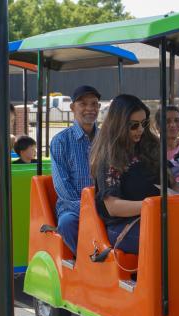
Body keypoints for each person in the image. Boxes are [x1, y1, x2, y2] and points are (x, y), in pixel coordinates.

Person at [90, 94, 160, 254]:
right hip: (124, 225)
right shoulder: (108, 158)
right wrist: (153, 205)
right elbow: (113, 206)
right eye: (134, 126)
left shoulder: (150, 147)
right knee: (167, 238)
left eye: (144, 123)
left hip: (156, 218)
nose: (141, 130)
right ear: (119, 125)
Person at [50, 85, 101, 254]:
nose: (89, 109)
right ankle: (85, 260)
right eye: (83, 104)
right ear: (73, 108)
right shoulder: (61, 141)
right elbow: (62, 186)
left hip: (106, 203)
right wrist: (88, 208)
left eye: (94, 104)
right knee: (67, 223)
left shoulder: (107, 139)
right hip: (73, 207)